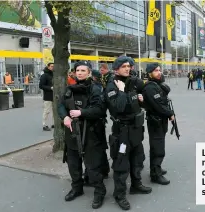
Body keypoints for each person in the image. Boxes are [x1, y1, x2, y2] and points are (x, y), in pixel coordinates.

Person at [57, 61, 107, 209]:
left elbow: (100, 110)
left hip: (90, 133)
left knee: (92, 166)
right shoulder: (70, 89)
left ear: (89, 72)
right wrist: (64, 117)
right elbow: (60, 105)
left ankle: (99, 191)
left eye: (83, 70)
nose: (79, 73)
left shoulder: (95, 89)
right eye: (77, 70)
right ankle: (77, 188)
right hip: (72, 132)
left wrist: (82, 112)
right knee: (73, 164)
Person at [105, 56, 151, 210]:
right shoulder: (112, 85)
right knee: (121, 165)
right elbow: (118, 107)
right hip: (122, 131)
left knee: (138, 159)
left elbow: (139, 105)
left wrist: (140, 99)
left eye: (129, 66)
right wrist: (123, 92)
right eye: (123, 66)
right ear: (116, 68)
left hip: (136, 130)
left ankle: (136, 185)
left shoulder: (132, 82)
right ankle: (120, 194)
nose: (127, 68)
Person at [142, 63, 173, 185]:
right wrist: (170, 113)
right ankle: (155, 174)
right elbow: (159, 105)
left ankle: (157, 168)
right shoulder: (150, 87)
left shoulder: (157, 84)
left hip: (160, 120)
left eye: (160, 70)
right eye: (156, 71)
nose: (159, 72)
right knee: (157, 148)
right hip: (155, 121)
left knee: (158, 145)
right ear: (150, 73)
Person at [39, 63, 54, 131]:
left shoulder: (54, 75)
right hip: (48, 96)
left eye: (54, 66)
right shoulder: (44, 75)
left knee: (55, 111)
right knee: (47, 111)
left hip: (55, 96)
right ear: (48, 67)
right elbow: (41, 86)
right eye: (51, 66)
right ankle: (44, 125)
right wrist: (50, 88)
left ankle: (54, 123)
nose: (53, 67)